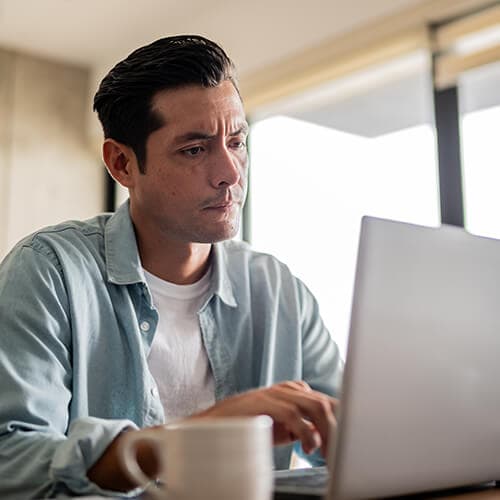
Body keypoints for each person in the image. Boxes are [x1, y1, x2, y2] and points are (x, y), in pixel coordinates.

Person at [0, 35, 343, 498]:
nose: (231, 172)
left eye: (237, 141)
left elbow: (351, 439)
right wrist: (193, 438)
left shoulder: (280, 289)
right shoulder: (48, 272)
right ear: (122, 163)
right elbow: (11, 460)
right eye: (195, 150)